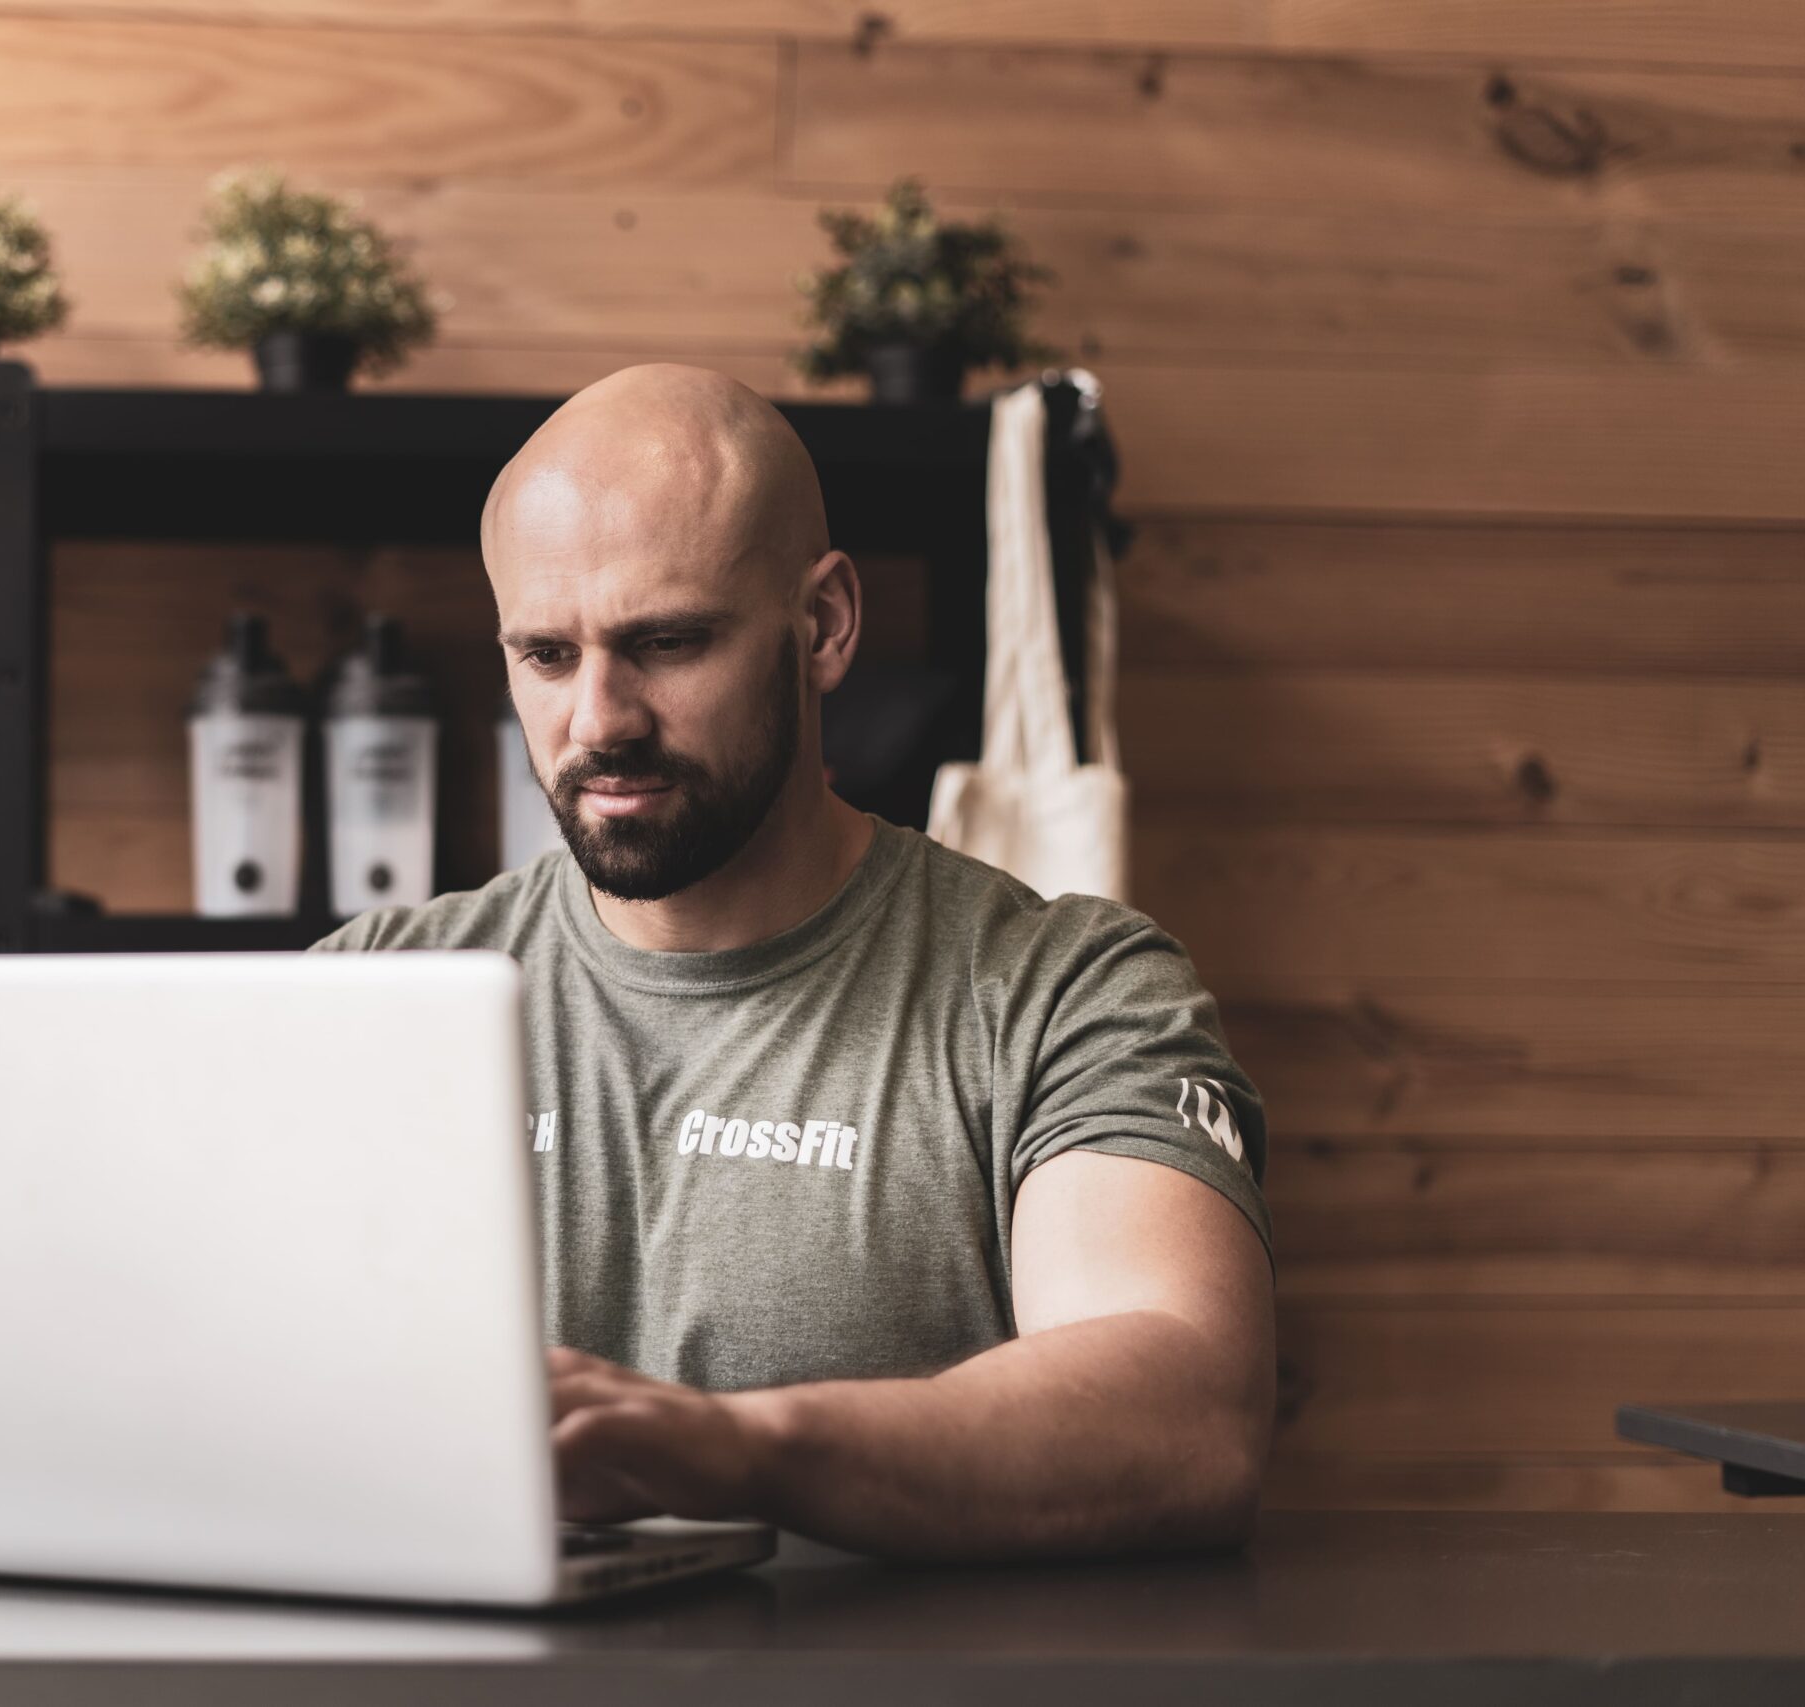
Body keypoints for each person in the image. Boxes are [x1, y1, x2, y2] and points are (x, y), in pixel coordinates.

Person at [307, 363, 1275, 1563]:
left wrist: (741, 1454)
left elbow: (1180, 1412)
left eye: (664, 641)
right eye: (546, 656)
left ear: (820, 626)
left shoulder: (1061, 990)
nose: (598, 718)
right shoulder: (368, 993)